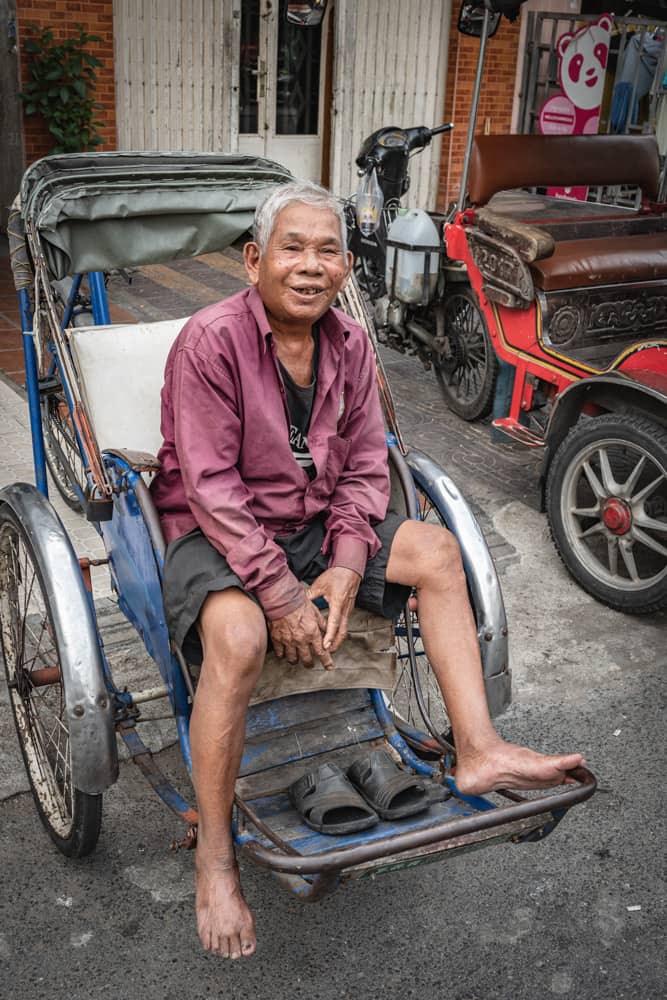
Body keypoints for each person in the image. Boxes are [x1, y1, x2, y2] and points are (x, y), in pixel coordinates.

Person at [151, 180, 584, 960]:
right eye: (292, 248)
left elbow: (361, 471)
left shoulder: (348, 345)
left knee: (437, 550)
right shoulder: (208, 342)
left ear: (347, 266)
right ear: (254, 261)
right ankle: (216, 859)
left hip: (317, 523)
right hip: (222, 535)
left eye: (327, 251)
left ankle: (479, 747)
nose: (310, 267)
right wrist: (281, 595)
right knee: (242, 637)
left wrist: (348, 566)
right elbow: (211, 490)